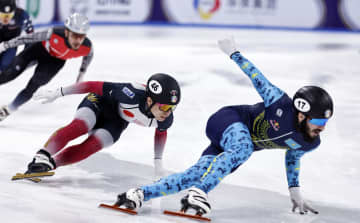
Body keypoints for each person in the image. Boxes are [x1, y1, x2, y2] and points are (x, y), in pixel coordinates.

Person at [113, 37, 334, 216]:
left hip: (231, 146)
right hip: (227, 120)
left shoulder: (310, 141)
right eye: (318, 121)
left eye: (325, 122)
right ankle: (199, 192)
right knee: (244, 147)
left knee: (194, 174)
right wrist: (233, 53)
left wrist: (295, 192)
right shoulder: (279, 103)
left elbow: (293, 157)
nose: (322, 127)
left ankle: (139, 193)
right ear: (302, 113)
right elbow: (257, 77)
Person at [24, 73, 181, 178]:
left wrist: (158, 163)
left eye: (172, 108)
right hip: (99, 102)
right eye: (164, 107)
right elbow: (93, 85)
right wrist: (58, 92)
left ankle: (50, 164)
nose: (167, 112)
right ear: (149, 100)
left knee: (95, 144)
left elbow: (161, 133)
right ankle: (42, 155)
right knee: (82, 125)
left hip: (117, 120)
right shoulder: (130, 93)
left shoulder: (165, 119)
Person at [0, 13, 93, 121]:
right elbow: (27, 38)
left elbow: (88, 58)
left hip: (54, 62)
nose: (78, 41)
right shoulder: (53, 33)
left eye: (81, 37)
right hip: (37, 51)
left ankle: (9, 109)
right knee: (8, 74)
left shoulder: (87, 47)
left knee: (33, 85)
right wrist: (6, 45)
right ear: (67, 32)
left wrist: (81, 74)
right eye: (75, 36)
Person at [0, 0, 34, 72]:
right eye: (2, 15)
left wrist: (26, 56)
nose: (6, 18)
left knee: (4, 66)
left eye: (9, 15)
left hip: (11, 43)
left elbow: (31, 36)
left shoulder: (22, 15)